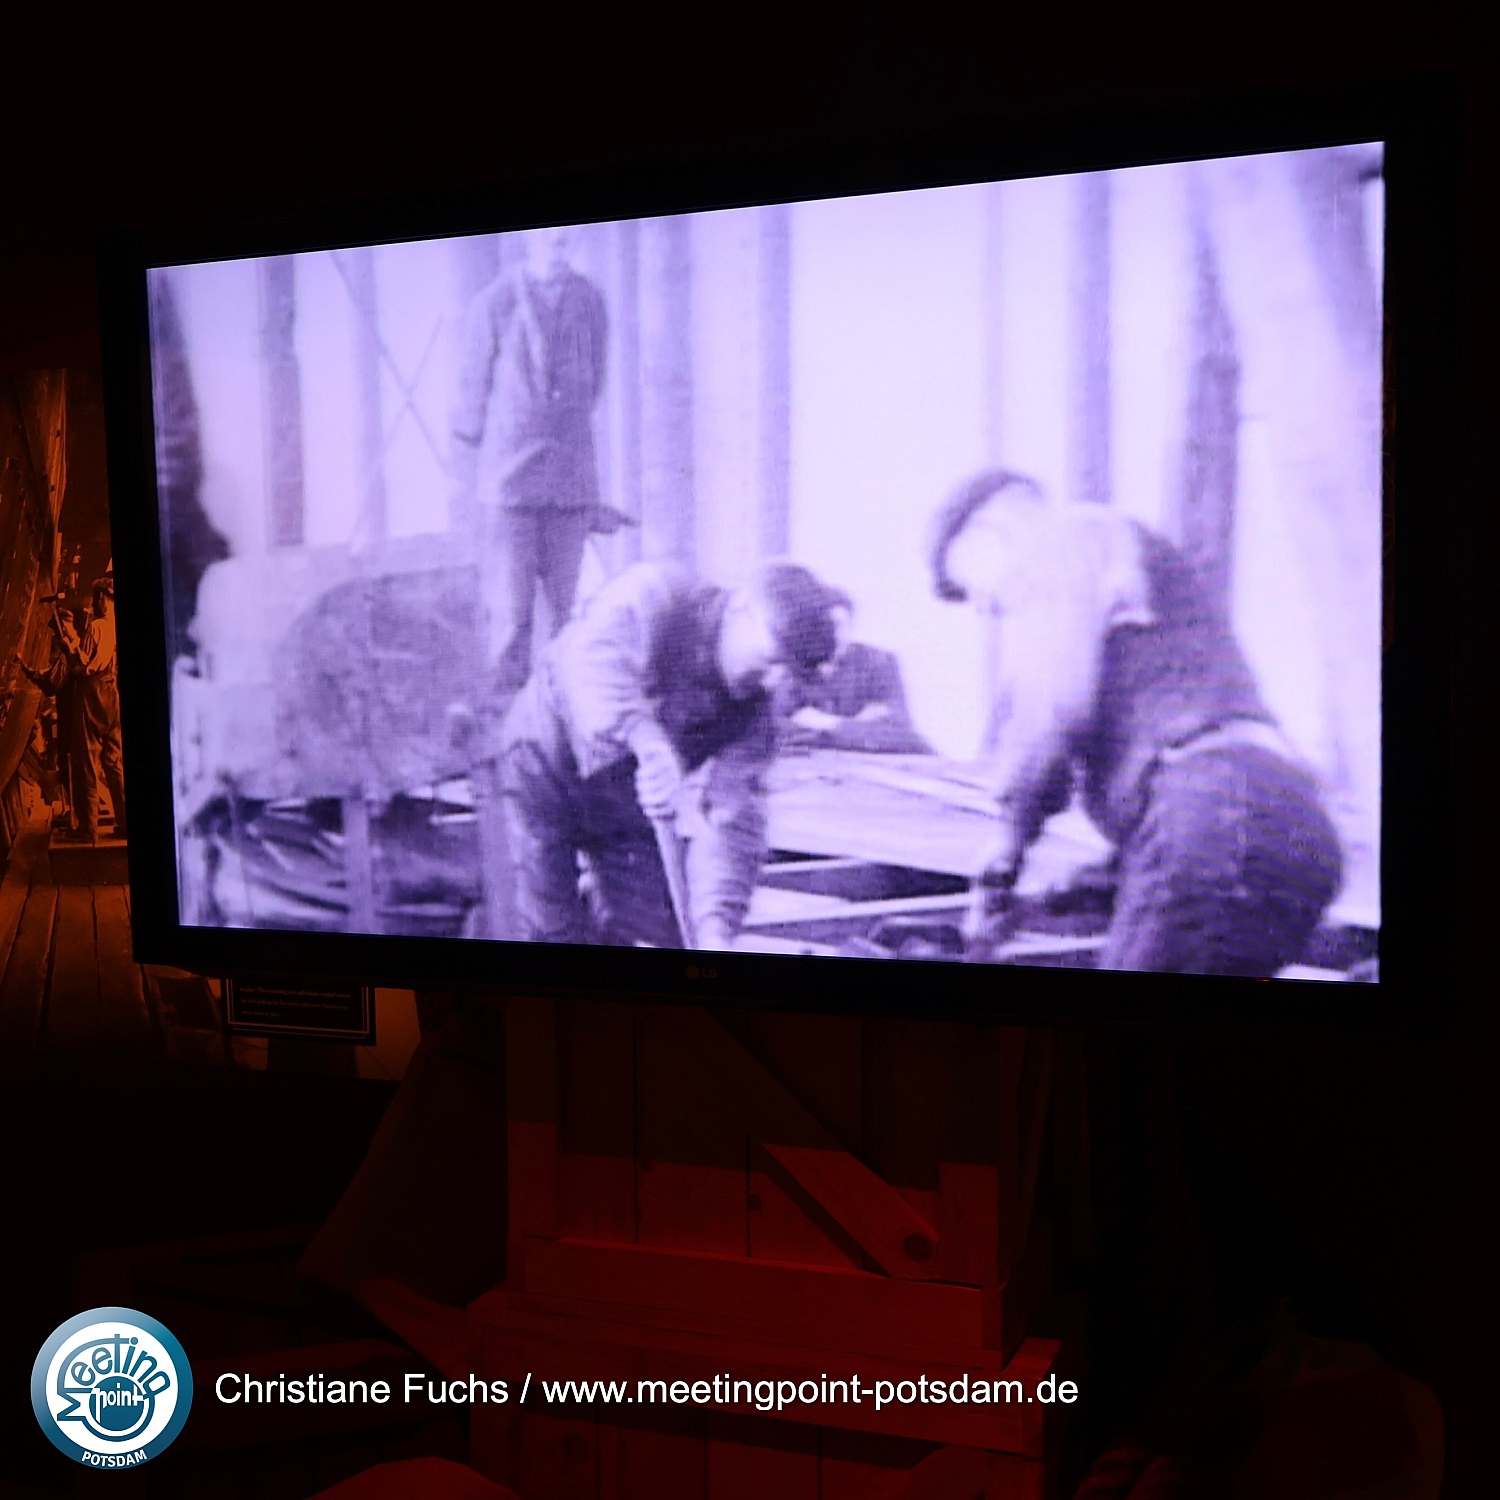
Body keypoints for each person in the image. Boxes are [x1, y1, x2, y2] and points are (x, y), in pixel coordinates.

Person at [930, 470, 1341, 977]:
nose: (986, 611)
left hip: (1219, 821)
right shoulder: (1125, 555)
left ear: (990, 530)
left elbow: (1053, 710)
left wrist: (1009, 842)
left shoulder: (1060, 537)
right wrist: (1065, 897)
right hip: (1290, 829)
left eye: (981, 595)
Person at [497, 559, 840, 951]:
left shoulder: (756, 712)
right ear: (742, 607)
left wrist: (715, 929)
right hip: (542, 771)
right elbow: (589, 659)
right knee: (551, 929)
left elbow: (732, 824)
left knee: (663, 934)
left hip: (624, 803)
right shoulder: (659, 593)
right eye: (770, 660)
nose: (773, 682)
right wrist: (643, 737)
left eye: (788, 674)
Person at [452, 225, 625, 693]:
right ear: (529, 238)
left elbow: (594, 383)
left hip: (569, 481)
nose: (559, 248)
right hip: (510, 483)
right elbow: (470, 401)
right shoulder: (496, 302)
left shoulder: (590, 301)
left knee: (567, 614)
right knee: (512, 617)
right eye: (551, 238)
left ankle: (560, 716)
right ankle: (507, 716)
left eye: (569, 240)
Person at [16, 576, 127, 844]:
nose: (95, 602)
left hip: (92, 694)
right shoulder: (115, 626)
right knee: (114, 763)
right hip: (112, 695)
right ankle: (125, 823)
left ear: (102, 598)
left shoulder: (96, 627)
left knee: (86, 763)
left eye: (97, 597)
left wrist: (67, 649)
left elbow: (78, 667)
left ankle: (87, 829)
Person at [777, 593, 932, 754]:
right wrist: (859, 726)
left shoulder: (880, 663)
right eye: (822, 626)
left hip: (873, 761)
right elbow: (777, 730)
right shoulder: (790, 668)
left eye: (838, 625)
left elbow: (900, 732)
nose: (831, 634)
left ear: (850, 625)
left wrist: (825, 723)